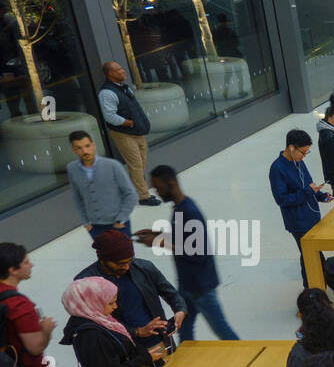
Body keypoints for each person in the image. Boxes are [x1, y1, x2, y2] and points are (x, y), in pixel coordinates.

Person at [131, 165, 238, 342]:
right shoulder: (181, 207)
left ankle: (245, 356)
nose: (156, 192)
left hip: (200, 286)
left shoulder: (189, 212)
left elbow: (198, 252)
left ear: (170, 183)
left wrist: (159, 242)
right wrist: (157, 233)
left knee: (222, 331)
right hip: (189, 285)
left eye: (158, 187)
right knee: (185, 329)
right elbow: (184, 237)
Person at [58, 276, 165, 367]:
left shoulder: (103, 320)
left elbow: (124, 345)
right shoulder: (90, 335)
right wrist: (144, 358)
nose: (115, 307)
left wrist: (146, 356)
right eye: (111, 303)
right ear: (93, 303)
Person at [75, 228, 186, 351]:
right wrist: (137, 332)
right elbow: (95, 324)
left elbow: (172, 294)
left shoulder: (144, 267)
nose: (127, 267)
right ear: (103, 259)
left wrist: (180, 310)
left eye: (129, 261)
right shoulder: (85, 283)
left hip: (160, 343)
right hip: (121, 352)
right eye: (120, 263)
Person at [269, 128, 333, 287]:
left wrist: (321, 195)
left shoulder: (299, 162)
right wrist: (307, 192)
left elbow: (309, 185)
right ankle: (312, 293)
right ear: (291, 148)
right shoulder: (277, 169)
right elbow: (282, 199)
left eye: (306, 153)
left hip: (312, 217)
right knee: (310, 257)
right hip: (298, 221)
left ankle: (315, 290)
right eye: (302, 152)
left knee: (312, 254)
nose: (304, 156)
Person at [98, 62, 159, 208]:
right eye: (118, 70)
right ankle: (143, 196)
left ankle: (135, 190)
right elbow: (109, 116)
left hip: (137, 132)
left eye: (121, 68)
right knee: (136, 164)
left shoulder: (123, 88)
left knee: (142, 162)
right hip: (123, 134)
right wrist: (129, 123)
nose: (122, 71)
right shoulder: (107, 93)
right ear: (110, 73)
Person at [66, 130, 136, 240]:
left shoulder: (113, 165)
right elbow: (77, 198)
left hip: (118, 224)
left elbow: (131, 194)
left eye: (87, 146)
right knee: (104, 257)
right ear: (73, 149)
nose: (85, 151)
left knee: (125, 257)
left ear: (93, 145)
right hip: (94, 227)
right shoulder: (72, 168)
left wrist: (120, 219)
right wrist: (86, 223)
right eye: (79, 148)